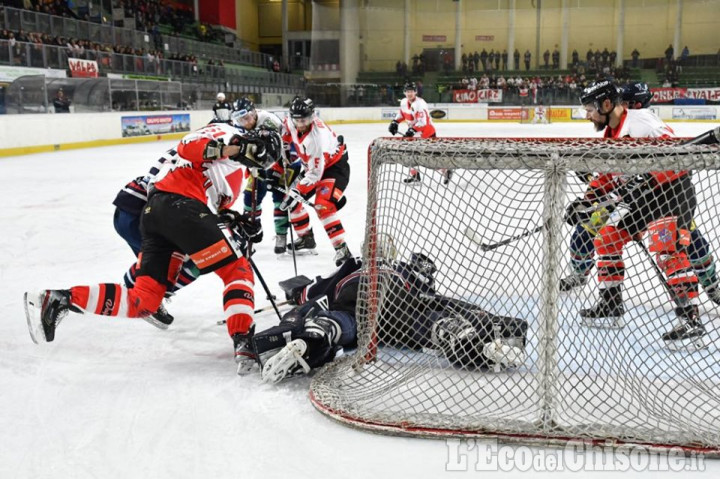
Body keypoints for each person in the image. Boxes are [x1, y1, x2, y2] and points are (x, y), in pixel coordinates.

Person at [24, 121, 282, 374]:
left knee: (144, 301)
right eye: (263, 157)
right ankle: (243, 342)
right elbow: (187, 145)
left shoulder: (238, 172)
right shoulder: (229, 134)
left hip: (158, 214)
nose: (260, 164)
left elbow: (214, 202)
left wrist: (233, 218)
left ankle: (60, 299)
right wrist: (232, 148)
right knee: (237, 269)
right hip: (178, 205)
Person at [569, 80, 706, 351]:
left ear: (606, 104)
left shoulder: (641, 120)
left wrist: (650, 174)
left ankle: (691, 320)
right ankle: (611, 304)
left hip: (671, 195)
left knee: (668, 251)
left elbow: (678, 157)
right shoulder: (611, 133)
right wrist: (586, 202)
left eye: (590, 109)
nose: (587, 115)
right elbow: (606, 177)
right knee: (607, 238)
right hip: (642, 201)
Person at [253, 254, 529, 383]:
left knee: (342, 319)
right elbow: (436, 301)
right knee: (428, 320)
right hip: (396, 302)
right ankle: (459, 335)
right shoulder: (408, 272)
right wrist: (482, 316)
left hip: (354, 293)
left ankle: (320, 331)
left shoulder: (353, 264)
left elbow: (315, 290)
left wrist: (297, 297)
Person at [279, 96, 352, 266]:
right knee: (290, 201)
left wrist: (297, 191)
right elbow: (285, 126)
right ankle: (306, 238)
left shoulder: (318, 139)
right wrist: (285, 143)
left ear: (312, 116)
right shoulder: (293, 120)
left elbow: (315, 175)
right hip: (311, 167)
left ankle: (342, 249)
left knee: (323, 204)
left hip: (333, 168)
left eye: (304, 120)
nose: (300, 124)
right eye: (296, 120)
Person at [232, 97, 292, 256]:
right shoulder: (238, 126)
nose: (245, 122)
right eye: (240, 119)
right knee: (250, 195)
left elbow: (275, 149)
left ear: (253, 112)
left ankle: (281, 235)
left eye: (246, 117)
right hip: (258, 163)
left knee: (280, 198)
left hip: (281, 160)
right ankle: (252, 230)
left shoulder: (269, 121)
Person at [388, 82, 449, 184]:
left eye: (411, 91)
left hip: (427, 133)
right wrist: (395, 122)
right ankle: (415, 175)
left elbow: (423, 122)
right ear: (404, 92)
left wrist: (413, 130)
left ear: (415, 92)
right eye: (407, 91)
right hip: (414, 134)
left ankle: (446, 171)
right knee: (408, 155)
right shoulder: (403, 102)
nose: (409, 93)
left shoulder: (420, 104)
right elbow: (402, 114)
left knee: (430, 159)